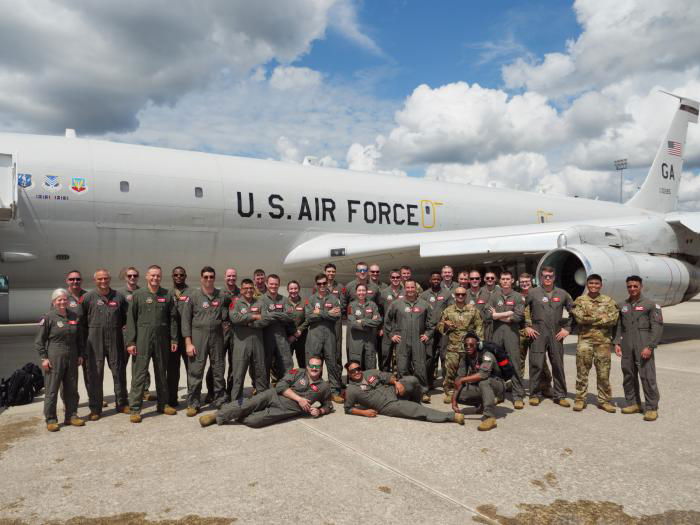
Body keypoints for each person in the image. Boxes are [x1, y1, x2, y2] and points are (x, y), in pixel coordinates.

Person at [200, 356, 333, 428]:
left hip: (285, 410)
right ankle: (217, 415)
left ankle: (236, 411)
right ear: (308, 366)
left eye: (318, 366)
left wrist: (320, 411)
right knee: (248, 404)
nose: (314, 369)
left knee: (254, 421)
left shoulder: (324, 387)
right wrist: (299, 399)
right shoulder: (298, 372)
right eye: (312, 366)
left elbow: (328, 405)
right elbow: (280, 386)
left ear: (321, 368)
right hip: (273, 395)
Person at [125, 265, 179, 422]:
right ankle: (135, 408)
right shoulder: (138, 295)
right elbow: (131, 320)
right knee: (139, 373)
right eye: (153, 275)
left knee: (162, 372)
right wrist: (131, 341)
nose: (155, 278)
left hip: (162, 339)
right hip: (142, 339)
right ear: (147, 277)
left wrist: (174, 339)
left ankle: (163, 404)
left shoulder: (167, 294)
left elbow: (173, 319)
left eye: (158, 276)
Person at [344, 361, 463, 424]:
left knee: (412, 380)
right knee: (417, 410)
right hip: (388, 405)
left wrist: (396, 383)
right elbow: (348, 408)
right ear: (349, 374)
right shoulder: (352, 390)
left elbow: (386, 376)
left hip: (392, 391)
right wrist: (363, 412)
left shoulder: (370, 372)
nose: (357, 372)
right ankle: (451, 416)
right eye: (353, 371)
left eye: (358, 369)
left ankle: (414, 401)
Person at [35, 289, 86, 431]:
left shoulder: (74, 316)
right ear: (53, 302)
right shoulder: (48, 317)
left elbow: (80, 338)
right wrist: (44, 358)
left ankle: (72, 415)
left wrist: (81, 354)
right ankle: (51, 419)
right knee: (52, 389)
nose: (62, 302)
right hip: (55, 356)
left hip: (72, 356)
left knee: (71, 388)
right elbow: (39, 341)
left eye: (65, 299)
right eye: (59, 300)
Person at [82, 269, 129, 419]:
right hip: (94, 341)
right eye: (100, 279)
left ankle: (122, 404)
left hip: (115, 339)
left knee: (119, 372)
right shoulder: (88, 297)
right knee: (95, 374)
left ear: (110, 279)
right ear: (95, 280)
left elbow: (127, 320)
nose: (103, 281)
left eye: (106, 278)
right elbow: (81, 322)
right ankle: (95, 409)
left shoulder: (119, 297)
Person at [614, 276, 663, 421]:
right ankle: (633, 403)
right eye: (630, 286)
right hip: (627, 344)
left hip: (643, 343)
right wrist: (617, 342)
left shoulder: (650, 305)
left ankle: (652, 407)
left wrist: (650, 346)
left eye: (635, 286)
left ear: (641, 286)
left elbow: (657, 327)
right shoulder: (622, 305)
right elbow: (618, 326)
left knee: (647, 376)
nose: (632, 289)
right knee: (628, 374)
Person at [525, 266, 574, 407]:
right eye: (545, 276)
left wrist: (567, 328)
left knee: (558, 365)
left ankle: (560, 395)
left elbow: (574, 312)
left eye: (550, 276)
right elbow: (522, 309)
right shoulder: (533, 293)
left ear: (554, 277)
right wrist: (526, 325)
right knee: (536, 364)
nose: (547, 278)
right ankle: (535, 394)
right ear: (541, 277)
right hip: (537, 333)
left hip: (556, 334)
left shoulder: (563, 294)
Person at [181, 266, 227, 416]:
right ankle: (193, 403)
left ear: (214, 278)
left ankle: (220, 400)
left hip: (217, 337)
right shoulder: (193, 297)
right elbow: (185, 320)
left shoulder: (221, 296)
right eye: (206, 277)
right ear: (201, 278)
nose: (208, 279)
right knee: (196, 370)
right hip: (198, 337)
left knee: (218, 369)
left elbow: (230, 312)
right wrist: (188, 342)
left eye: (211, 277)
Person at [571, 274, 619, 413]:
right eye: (591, 283)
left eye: (596, 283)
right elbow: (580, 318)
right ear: (587, 284)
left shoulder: (608, 301)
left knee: (604, 373)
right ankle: (580, 399)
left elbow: (613, 319)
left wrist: (590, 318)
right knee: (582, 372)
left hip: (603, 343)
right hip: (585, 342)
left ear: (601, 285)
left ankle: (604, 401)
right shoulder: (580, 300)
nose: (593, 286)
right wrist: (602, 318)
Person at [385, 280, 433, 402]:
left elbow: (432, 323)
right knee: (402, 366)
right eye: (408, 287)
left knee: (420, 367)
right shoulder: (396, 304)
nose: (410, 289)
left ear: (416, 289)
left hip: (418, 340)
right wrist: (391, 335)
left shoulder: (424, 305)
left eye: (412, 287)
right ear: (404, 288)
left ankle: (422, 392)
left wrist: (428, 334)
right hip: (402, 340)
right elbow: (387, 321)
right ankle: (404, 390)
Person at [485, 271, 526, 409]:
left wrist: (498, 315)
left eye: (508, 279)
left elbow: (518, 316)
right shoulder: (494, 296)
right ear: (500, 281)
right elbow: (488, 314)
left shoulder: (518, 297)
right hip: (496, 334)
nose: (505, 281)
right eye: (503, 279)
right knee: (496, 364)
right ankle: (498, 393)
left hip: (511, 335)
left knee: (514, 363)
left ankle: (518, 395)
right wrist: (507, 313)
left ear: (512, 280)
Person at [437, 286, 483, 403]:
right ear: (454, 296)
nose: (460, 296)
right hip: (453, 346)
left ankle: (468, 391)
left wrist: (477, 341)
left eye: (463, 294)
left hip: (469, 347)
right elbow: (440, 326)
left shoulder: (473, 310)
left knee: (470, 371)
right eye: (458, 294)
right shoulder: (448, 310)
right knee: (451, 369)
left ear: (466, 296)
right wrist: (445, 326)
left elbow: (479, 325)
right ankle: (450, 392)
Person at [452, 332, 505, 431]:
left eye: (471, 345)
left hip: (497, 385)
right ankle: (482, 404)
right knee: (460, 394)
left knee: (483, 381)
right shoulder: (465, 357)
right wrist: (454, 401)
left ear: (477, 345)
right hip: (482, 386)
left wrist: (463, 379)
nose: (468, 347)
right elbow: (459, 379)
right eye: (466, 345)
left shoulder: (487, 355)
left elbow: (483, 375)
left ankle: (490, 417)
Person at [228, 278, 269, 401]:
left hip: (257, 342)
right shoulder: (235, 303)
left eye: (251, 288)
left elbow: (265, 320)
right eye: (246, 288)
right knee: (238, 373)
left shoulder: (260, 302)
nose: (249, 290)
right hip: (241, 343)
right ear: (241, 290)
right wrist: (254, 316)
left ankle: (262, 399)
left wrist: (247, 322)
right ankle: (236, 401)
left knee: (260, 371)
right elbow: (235, 318)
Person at [305, 273, 343, 403]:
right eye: (319, 284)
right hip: (314, 336)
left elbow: (337, 316)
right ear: (316, 285)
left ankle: (334, 391)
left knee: (332, 363)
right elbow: (309, 317)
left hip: (329, 336)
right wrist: (327, 313)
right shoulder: (311, 299)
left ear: (328, 284)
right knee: (314, 364)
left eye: (324, 283)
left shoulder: (333, 299)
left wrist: (318, 313)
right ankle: (314, 390)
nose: (322, 286)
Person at [518, 273, 552, 397]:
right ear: (518, 283)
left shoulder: (540, 293)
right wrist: (525, 327)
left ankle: (546, 386)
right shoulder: (516, 296)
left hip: (537, 333)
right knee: (519, 361)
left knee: (541, 361)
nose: (525, 283)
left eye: (527, 281)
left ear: (531, 281)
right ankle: (518, 387)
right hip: (521, 332)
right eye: (522, 281)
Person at [120, 267, 152, 401]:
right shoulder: (119, 294)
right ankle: (122, 393)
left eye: (135, 275)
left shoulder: (143, 292)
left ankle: (144, 390)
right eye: (129, 276)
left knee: (140, 363)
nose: (132, 278)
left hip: (140, 333)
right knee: (122, 364)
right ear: (125, 277)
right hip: (124, 334)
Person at [208, 267, 239, 401]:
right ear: (225, 277)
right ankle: (212, 392)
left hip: (237, 333)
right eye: (229, 276)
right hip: (221, 332)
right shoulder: (219, 293)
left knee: (234, 364)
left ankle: (231, 392)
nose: (231, 278)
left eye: (233, 276)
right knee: (217, 363)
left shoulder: (241, 293)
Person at [260, 274, 294, 382]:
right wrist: (280, 315)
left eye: (276, 284)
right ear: (266, 284)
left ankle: (286, 387)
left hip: (281, 337)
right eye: (271, 284)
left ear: (279, 285)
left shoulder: (284, 300)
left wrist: (271, 314)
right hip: (266, 337)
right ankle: (263, 389)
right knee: (264, 364)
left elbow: (289, 316)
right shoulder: (261, 300)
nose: (273, 286)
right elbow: (261, 318)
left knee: (286, 362)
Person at [65, 270, 89, 400]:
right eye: (72, 279)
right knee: (70, 374)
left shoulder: (87, 296)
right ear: (67, 281)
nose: (75, 281)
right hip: (70, 340)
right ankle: (69, 401)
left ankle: (95, 397)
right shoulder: (62, 297)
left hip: (86, 339)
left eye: (78, 279)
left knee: (90, 371)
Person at [346, 283, 382, 369]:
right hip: (356, 342)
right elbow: (353, 323)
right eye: (359, 290)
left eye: (363, 290)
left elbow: (378, 321)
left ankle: (370, 382)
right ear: (356, 292)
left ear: (366, 292)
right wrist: (370, 323)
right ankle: (356, 383)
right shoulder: (351, 305)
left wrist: (362, 321)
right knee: (356, 366)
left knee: (371, 364)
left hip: (370, 341)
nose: (361, 292)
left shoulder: (372, 305)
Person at [169, 266, 190, 407]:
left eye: (181, 275)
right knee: (172, 370)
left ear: (185, 276)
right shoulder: (167, 293)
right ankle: (171, 399)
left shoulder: (193, 293)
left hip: (188, 338)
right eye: (176, 275)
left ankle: (193, 398)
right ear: (172, 276)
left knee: (192, 370)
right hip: (172, 339)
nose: (178, 277)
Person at [376, 269, 405, 371]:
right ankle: (385, 377)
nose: (395, 279)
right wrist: (380, 327)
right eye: (393, 277)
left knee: (402, 356)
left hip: (402, 328)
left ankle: (400, 378)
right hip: (387, 328)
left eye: (398, 277)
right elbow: (379, 312)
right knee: (385, 354)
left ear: (401, 278)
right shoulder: (383, 293)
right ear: (390, 278)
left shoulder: (406, 292)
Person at [285, 280, 308, 368]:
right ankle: (288, 380)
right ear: (288, 289)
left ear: (299, 289)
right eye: (291, 289)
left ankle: (304, 380)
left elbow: (308, 319)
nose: (293, 291)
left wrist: (299, 331)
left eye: (295, 288)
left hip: (302, 338)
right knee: (286, 364)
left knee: (303, 363)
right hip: (287, 338)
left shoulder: (305, 303)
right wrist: (291, 334)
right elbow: (282, 320)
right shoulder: (284, 302)